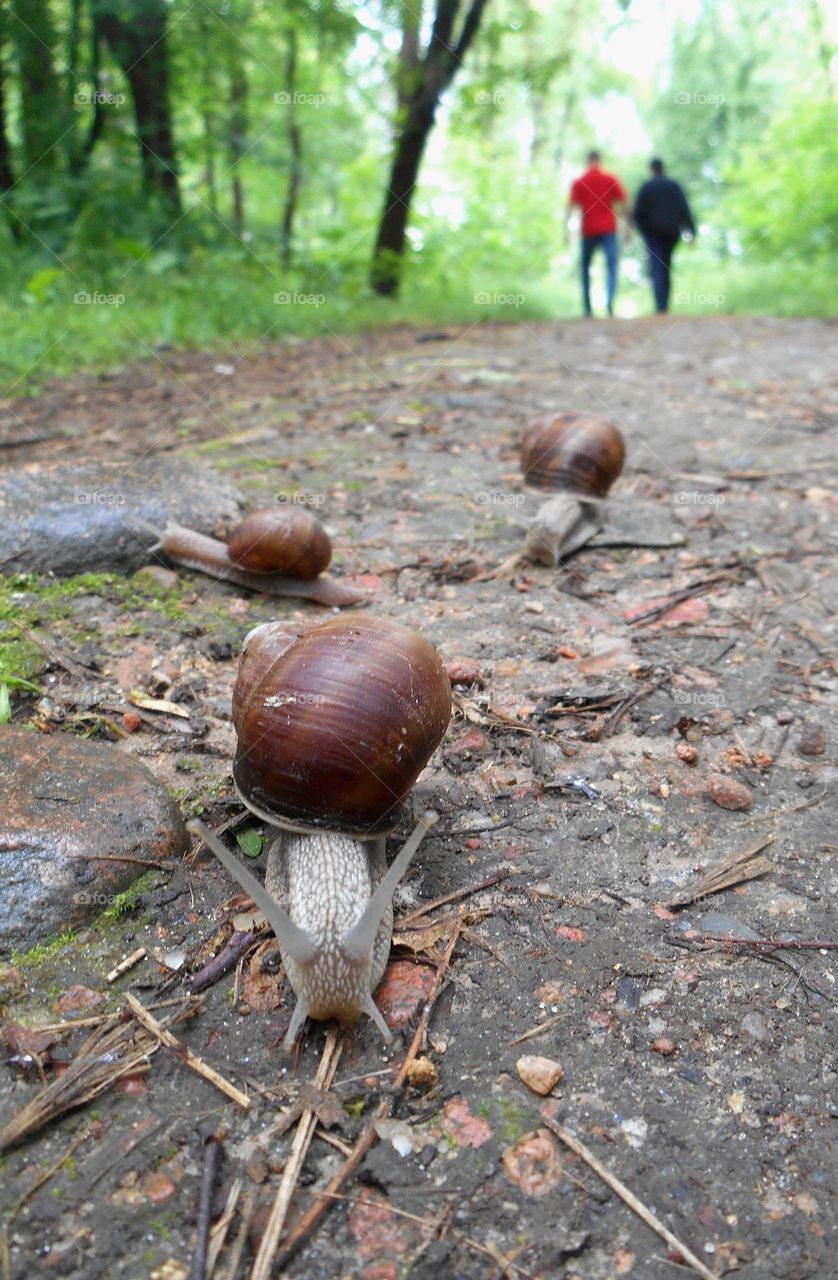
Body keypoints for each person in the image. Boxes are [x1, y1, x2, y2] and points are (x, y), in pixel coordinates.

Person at [567, 151, 630, 318]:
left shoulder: (579, 181)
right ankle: (609, 303)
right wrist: (628, 229)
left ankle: (588, 310)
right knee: (611, 267)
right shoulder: (610, 179)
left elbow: (571, 207)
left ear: (587, 161)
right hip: (608, 229)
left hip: (588, 230)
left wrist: (566, 231)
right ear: (600, 160)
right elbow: (624, 203)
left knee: (585, 268)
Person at [633, 158, 696, 314]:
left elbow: (638, 213)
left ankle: (661, 306)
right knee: (666, 267)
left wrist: (644, 232)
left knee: (657, 268)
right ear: (664, 168)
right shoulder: (673, 186)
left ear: (651, 169)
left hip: (654, 235)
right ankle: (664, 306)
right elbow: (684, 209)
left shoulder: (647, 187)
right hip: (671, 233)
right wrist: (690, 231)